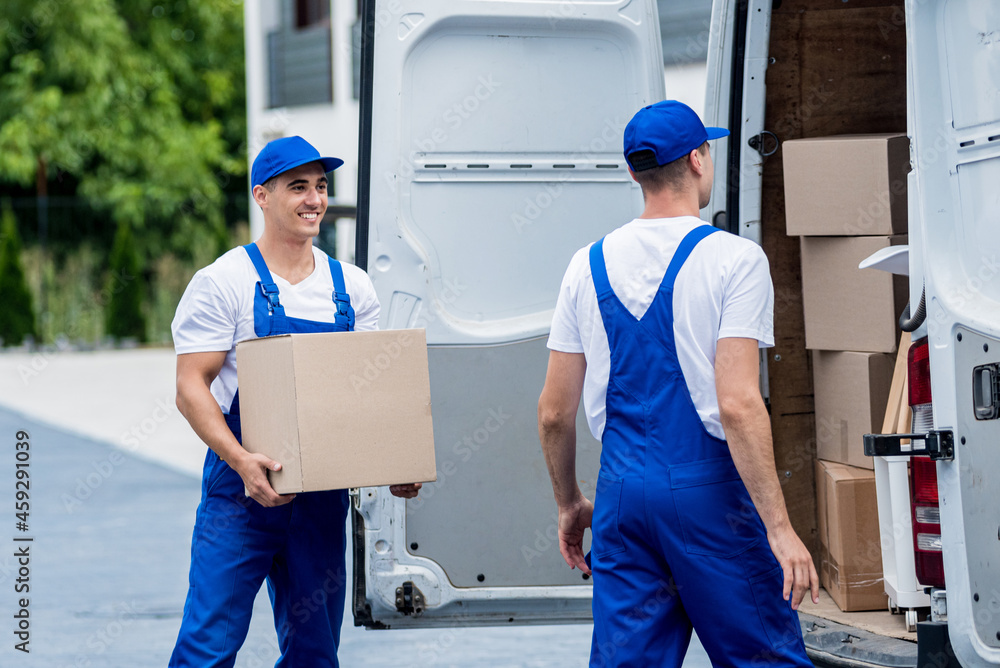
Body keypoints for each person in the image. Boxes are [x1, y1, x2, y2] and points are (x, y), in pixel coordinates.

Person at [537, 101, 819, 667]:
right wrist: (780, 528)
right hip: (708, 497)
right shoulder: (735, 260)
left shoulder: (584, 265)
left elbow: (553, 412)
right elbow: (737, 405)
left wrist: (569, 502)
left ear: (632, 172)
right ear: (697, 159)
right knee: (762, 657)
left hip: (620, 499)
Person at [168, 136, 420, 667]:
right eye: (298, 187)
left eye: (322, 187)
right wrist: (241, 462)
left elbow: (365, 398)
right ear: (262, 196)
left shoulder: (349, 288)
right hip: (240, 492)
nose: (315, 200)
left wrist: (394, 462)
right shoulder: (223, 282)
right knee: (207, 647)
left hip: (321, 500)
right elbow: (191, 387)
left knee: (314, 655)